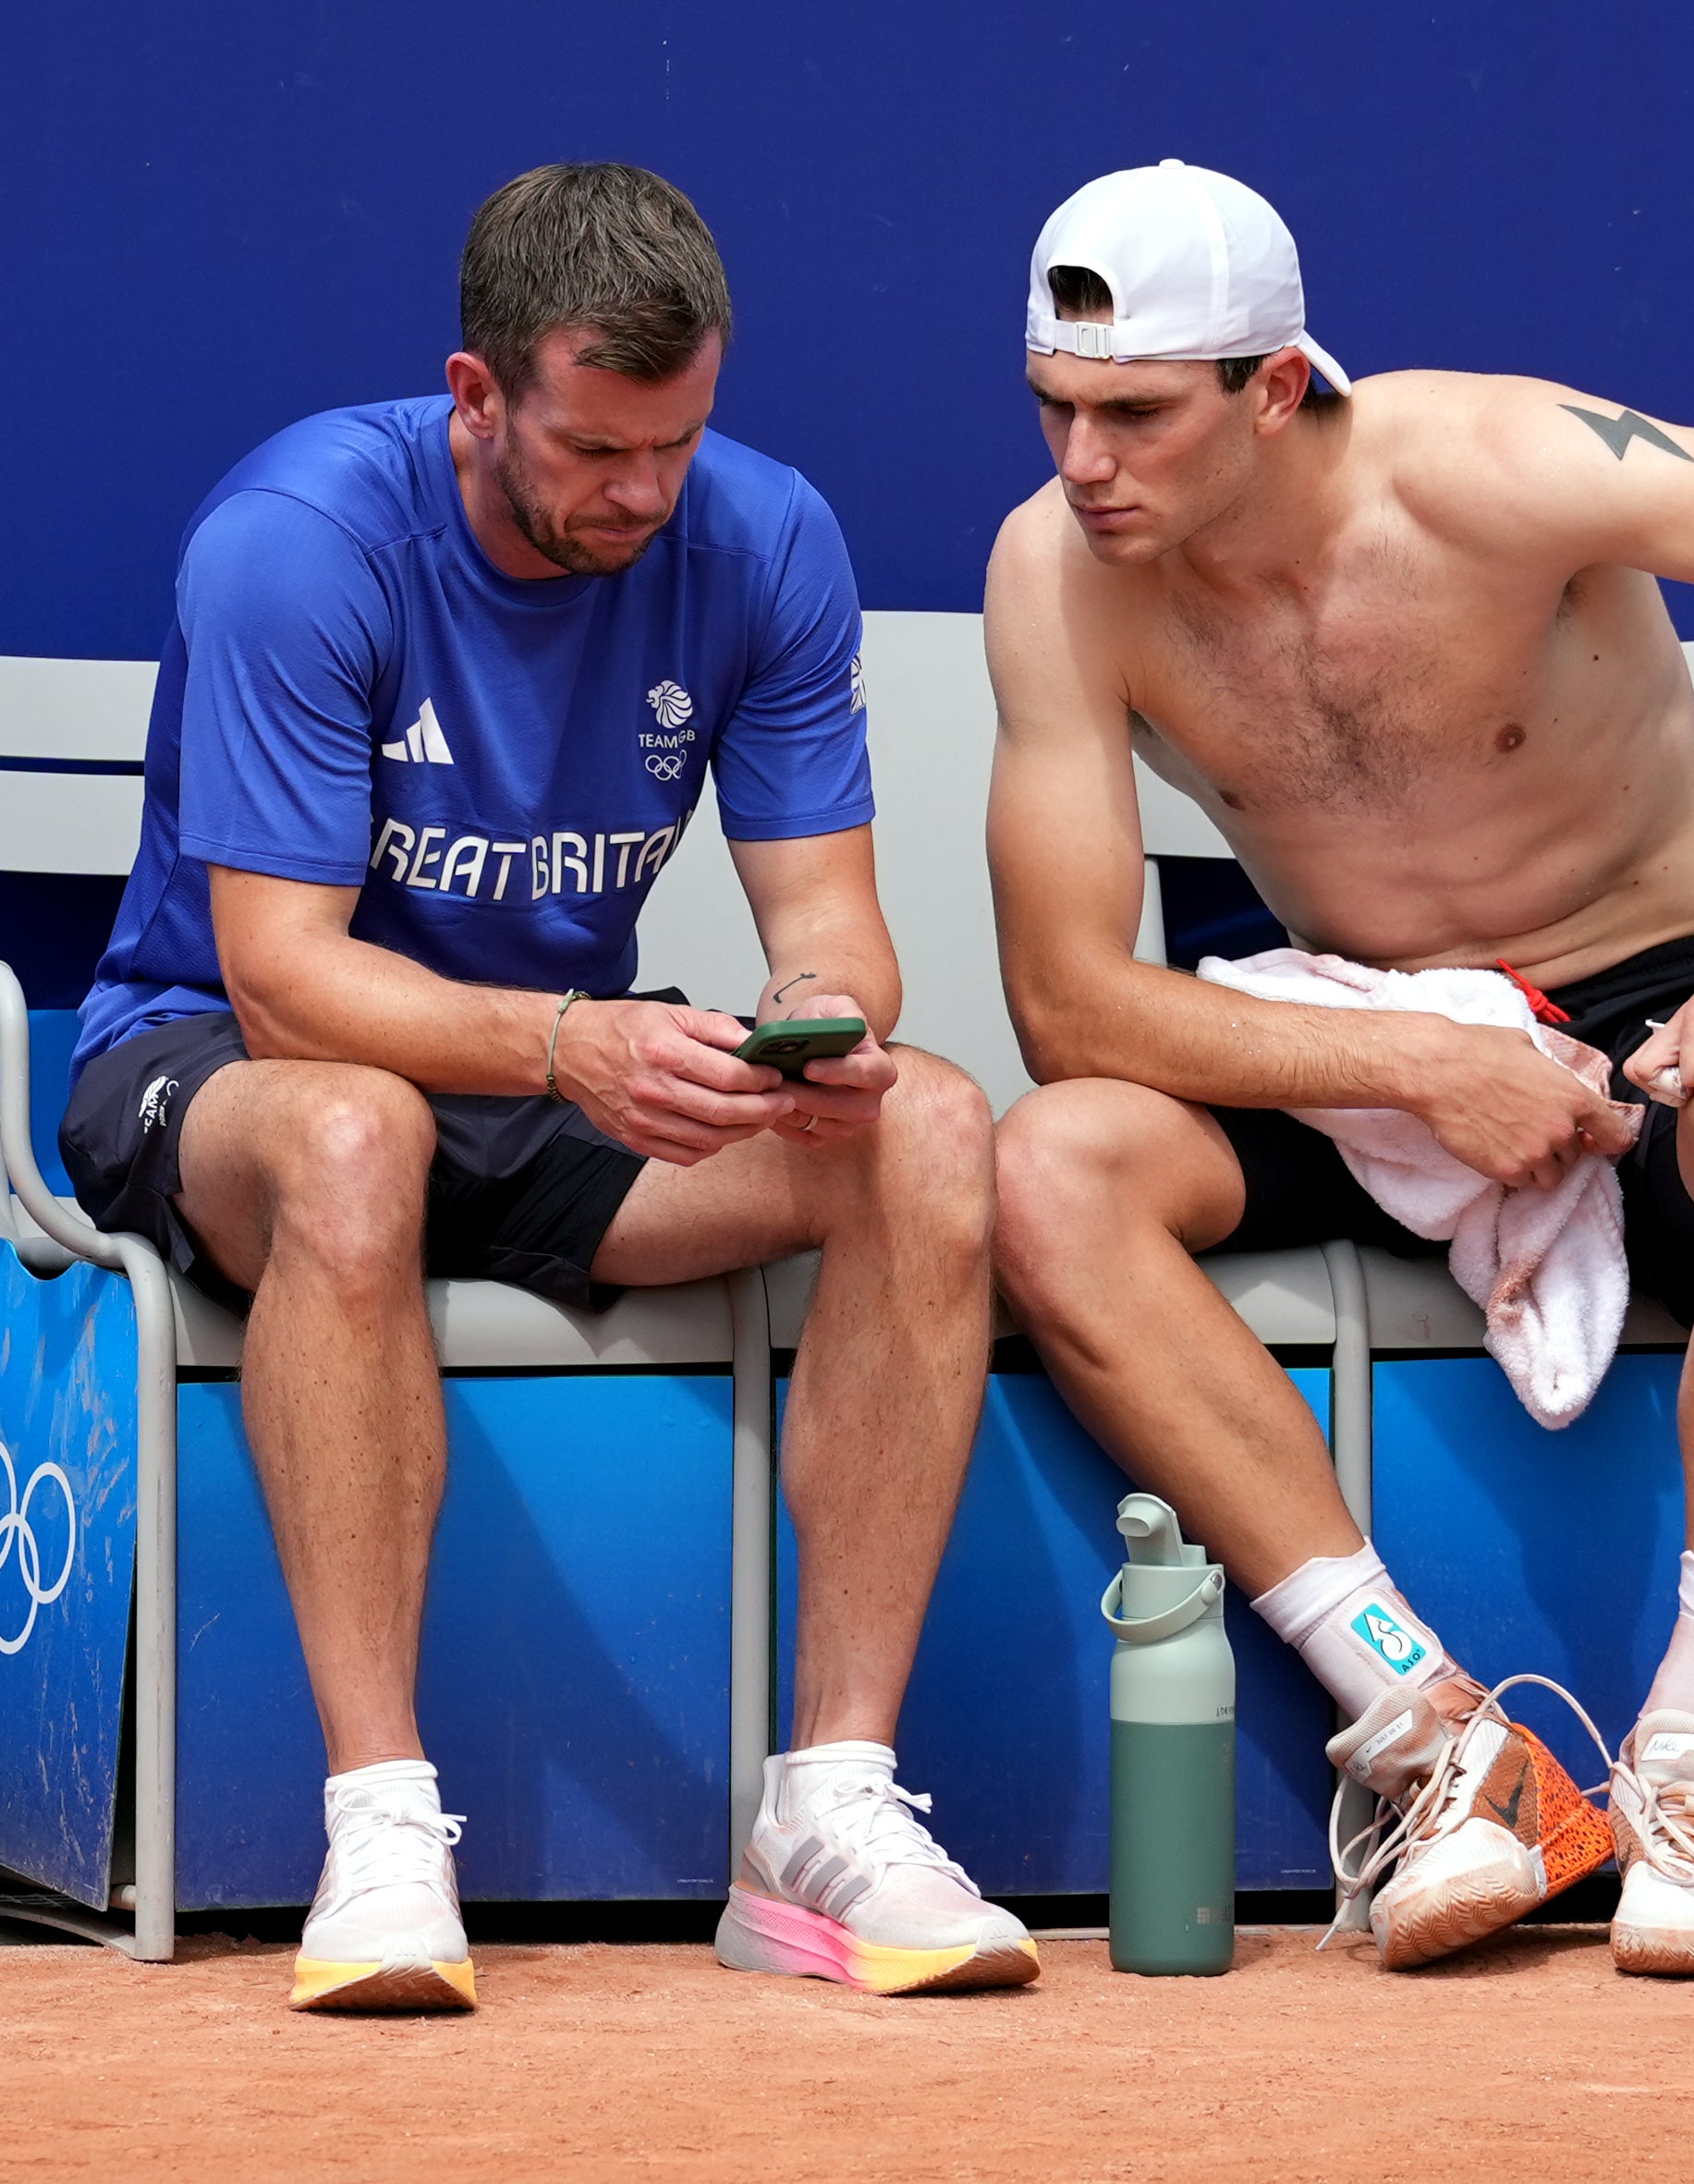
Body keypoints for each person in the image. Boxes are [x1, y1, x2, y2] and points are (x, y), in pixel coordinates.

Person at [986, 162, 1694, 1980]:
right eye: (1054, 409)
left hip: (1664, 987)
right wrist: (1418, 1067)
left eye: (1134, 414)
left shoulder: (1489, 463)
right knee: (1055, 1162)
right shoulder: (1058, 576)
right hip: (1373, 1033)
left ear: (1276, 386)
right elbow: (1069, 1007)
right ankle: (1434, 1741)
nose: (1084, 464)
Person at [65, 163, 1030, 2013]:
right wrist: (572, 1043)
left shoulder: (763, 543)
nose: (643, 495)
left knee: (922, 1122)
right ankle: (377, 1821)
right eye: (596, 450)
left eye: (675, 445)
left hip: (540, 1072)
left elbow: (832, 917)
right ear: (474, 394)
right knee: (359, 1130)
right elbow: (280, 980)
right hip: (225, 1064)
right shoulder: (296, 536)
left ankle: (825, 1813)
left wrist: (808, 1025)